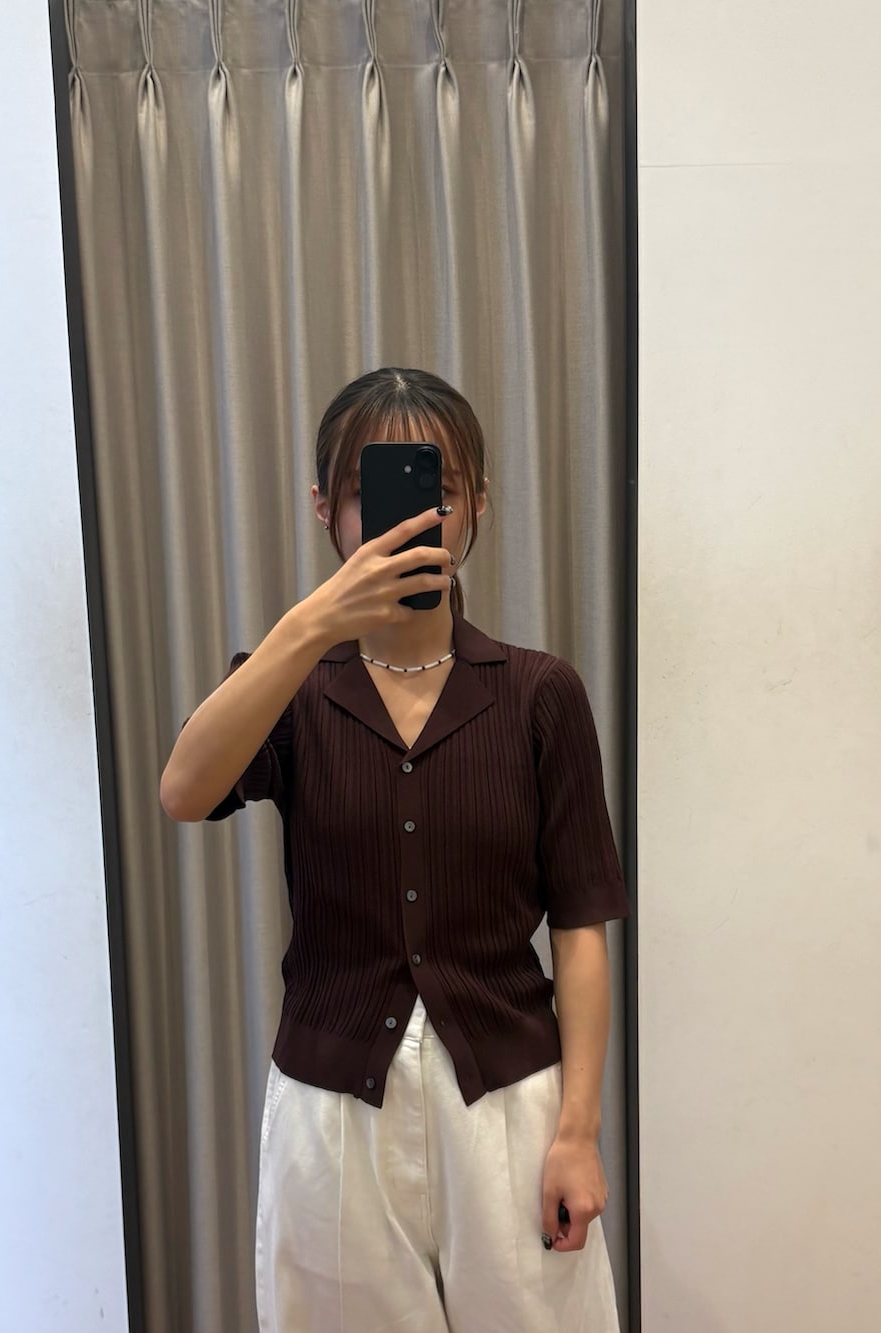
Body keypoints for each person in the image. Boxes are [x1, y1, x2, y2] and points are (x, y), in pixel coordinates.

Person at [160, 368, 631, 1332]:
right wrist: (314, 623)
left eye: (440, 490)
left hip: (507, 1103)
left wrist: (578, 1132)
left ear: (478, 504)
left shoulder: (540, 694)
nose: (416, 520)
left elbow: (581, 926)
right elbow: (184, 791)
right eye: (374, 495)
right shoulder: (292, 688)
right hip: (332, 1111)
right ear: (325, 508)